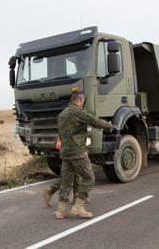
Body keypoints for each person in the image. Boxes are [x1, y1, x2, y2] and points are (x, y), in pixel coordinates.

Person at [55, 89, 113, 219]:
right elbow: (94, 121)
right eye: (82, 101)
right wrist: (109, 126)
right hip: (78, 152)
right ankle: (79, 206)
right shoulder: (78, 112)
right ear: (80, 100)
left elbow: (60, 134)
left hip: (65, 153)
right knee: (89, 178)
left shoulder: (62, 114)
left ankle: (61, 210)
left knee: (66, 181)